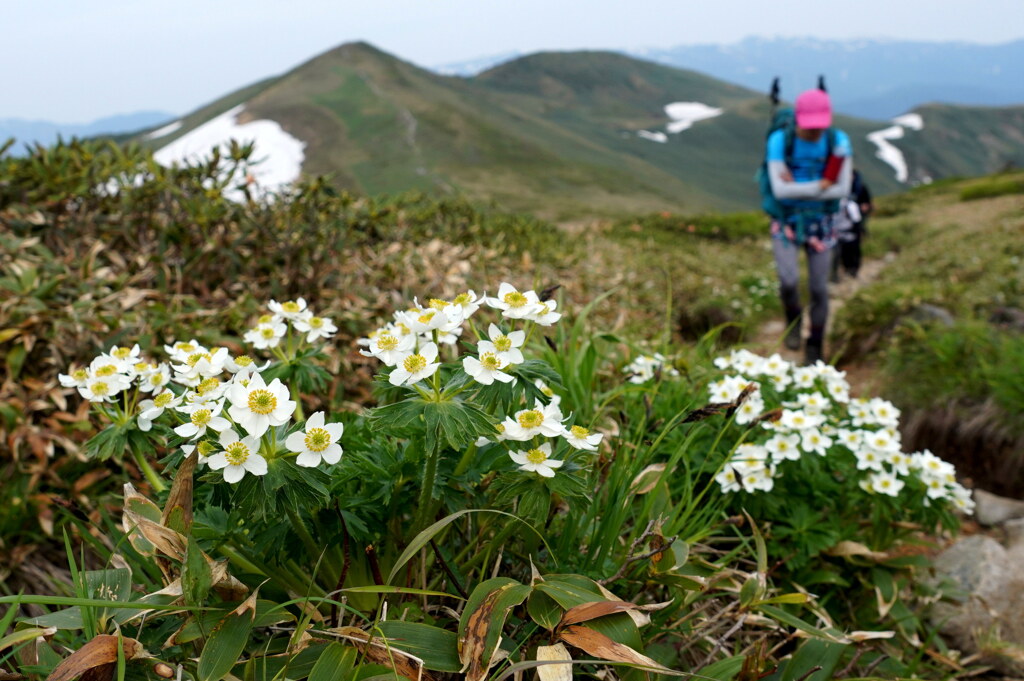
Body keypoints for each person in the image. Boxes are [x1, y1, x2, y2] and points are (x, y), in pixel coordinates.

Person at [766, 88, 853, 364]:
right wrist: (821, 185)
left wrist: (798, 187)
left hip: (823, 223)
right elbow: (780, 191)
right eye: (810, 126)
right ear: (799, 120)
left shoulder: (839, 141)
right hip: (786, 222)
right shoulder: (780, 140)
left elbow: (842, 189)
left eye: (820, 126)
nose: (816, 132)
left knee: (819, 288)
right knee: (788, 280)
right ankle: (793, 321)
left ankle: (814, 345)